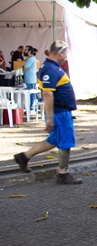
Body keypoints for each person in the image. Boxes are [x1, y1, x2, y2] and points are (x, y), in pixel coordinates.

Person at [13, 41, 81, 185]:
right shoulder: (50, 69)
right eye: (65, 53)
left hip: (60, 111)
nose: (66, 56)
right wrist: (50, 118)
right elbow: (47, 94)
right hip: (59, 112)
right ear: (60, 52)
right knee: (65, 143)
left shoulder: (50, 67)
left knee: (54, 140)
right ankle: (63, 174)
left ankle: (24, 157)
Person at [23, 46, 39, 111]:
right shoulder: (29, 59)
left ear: (29, 51)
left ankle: (32, 108)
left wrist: (22, 66)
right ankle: (31, 108)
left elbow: (24, 68)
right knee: (30, 94)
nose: (24, 51)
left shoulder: (31, 59)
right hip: (29, 79)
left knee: (31, 94)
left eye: (26, 50)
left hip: (30, 79)